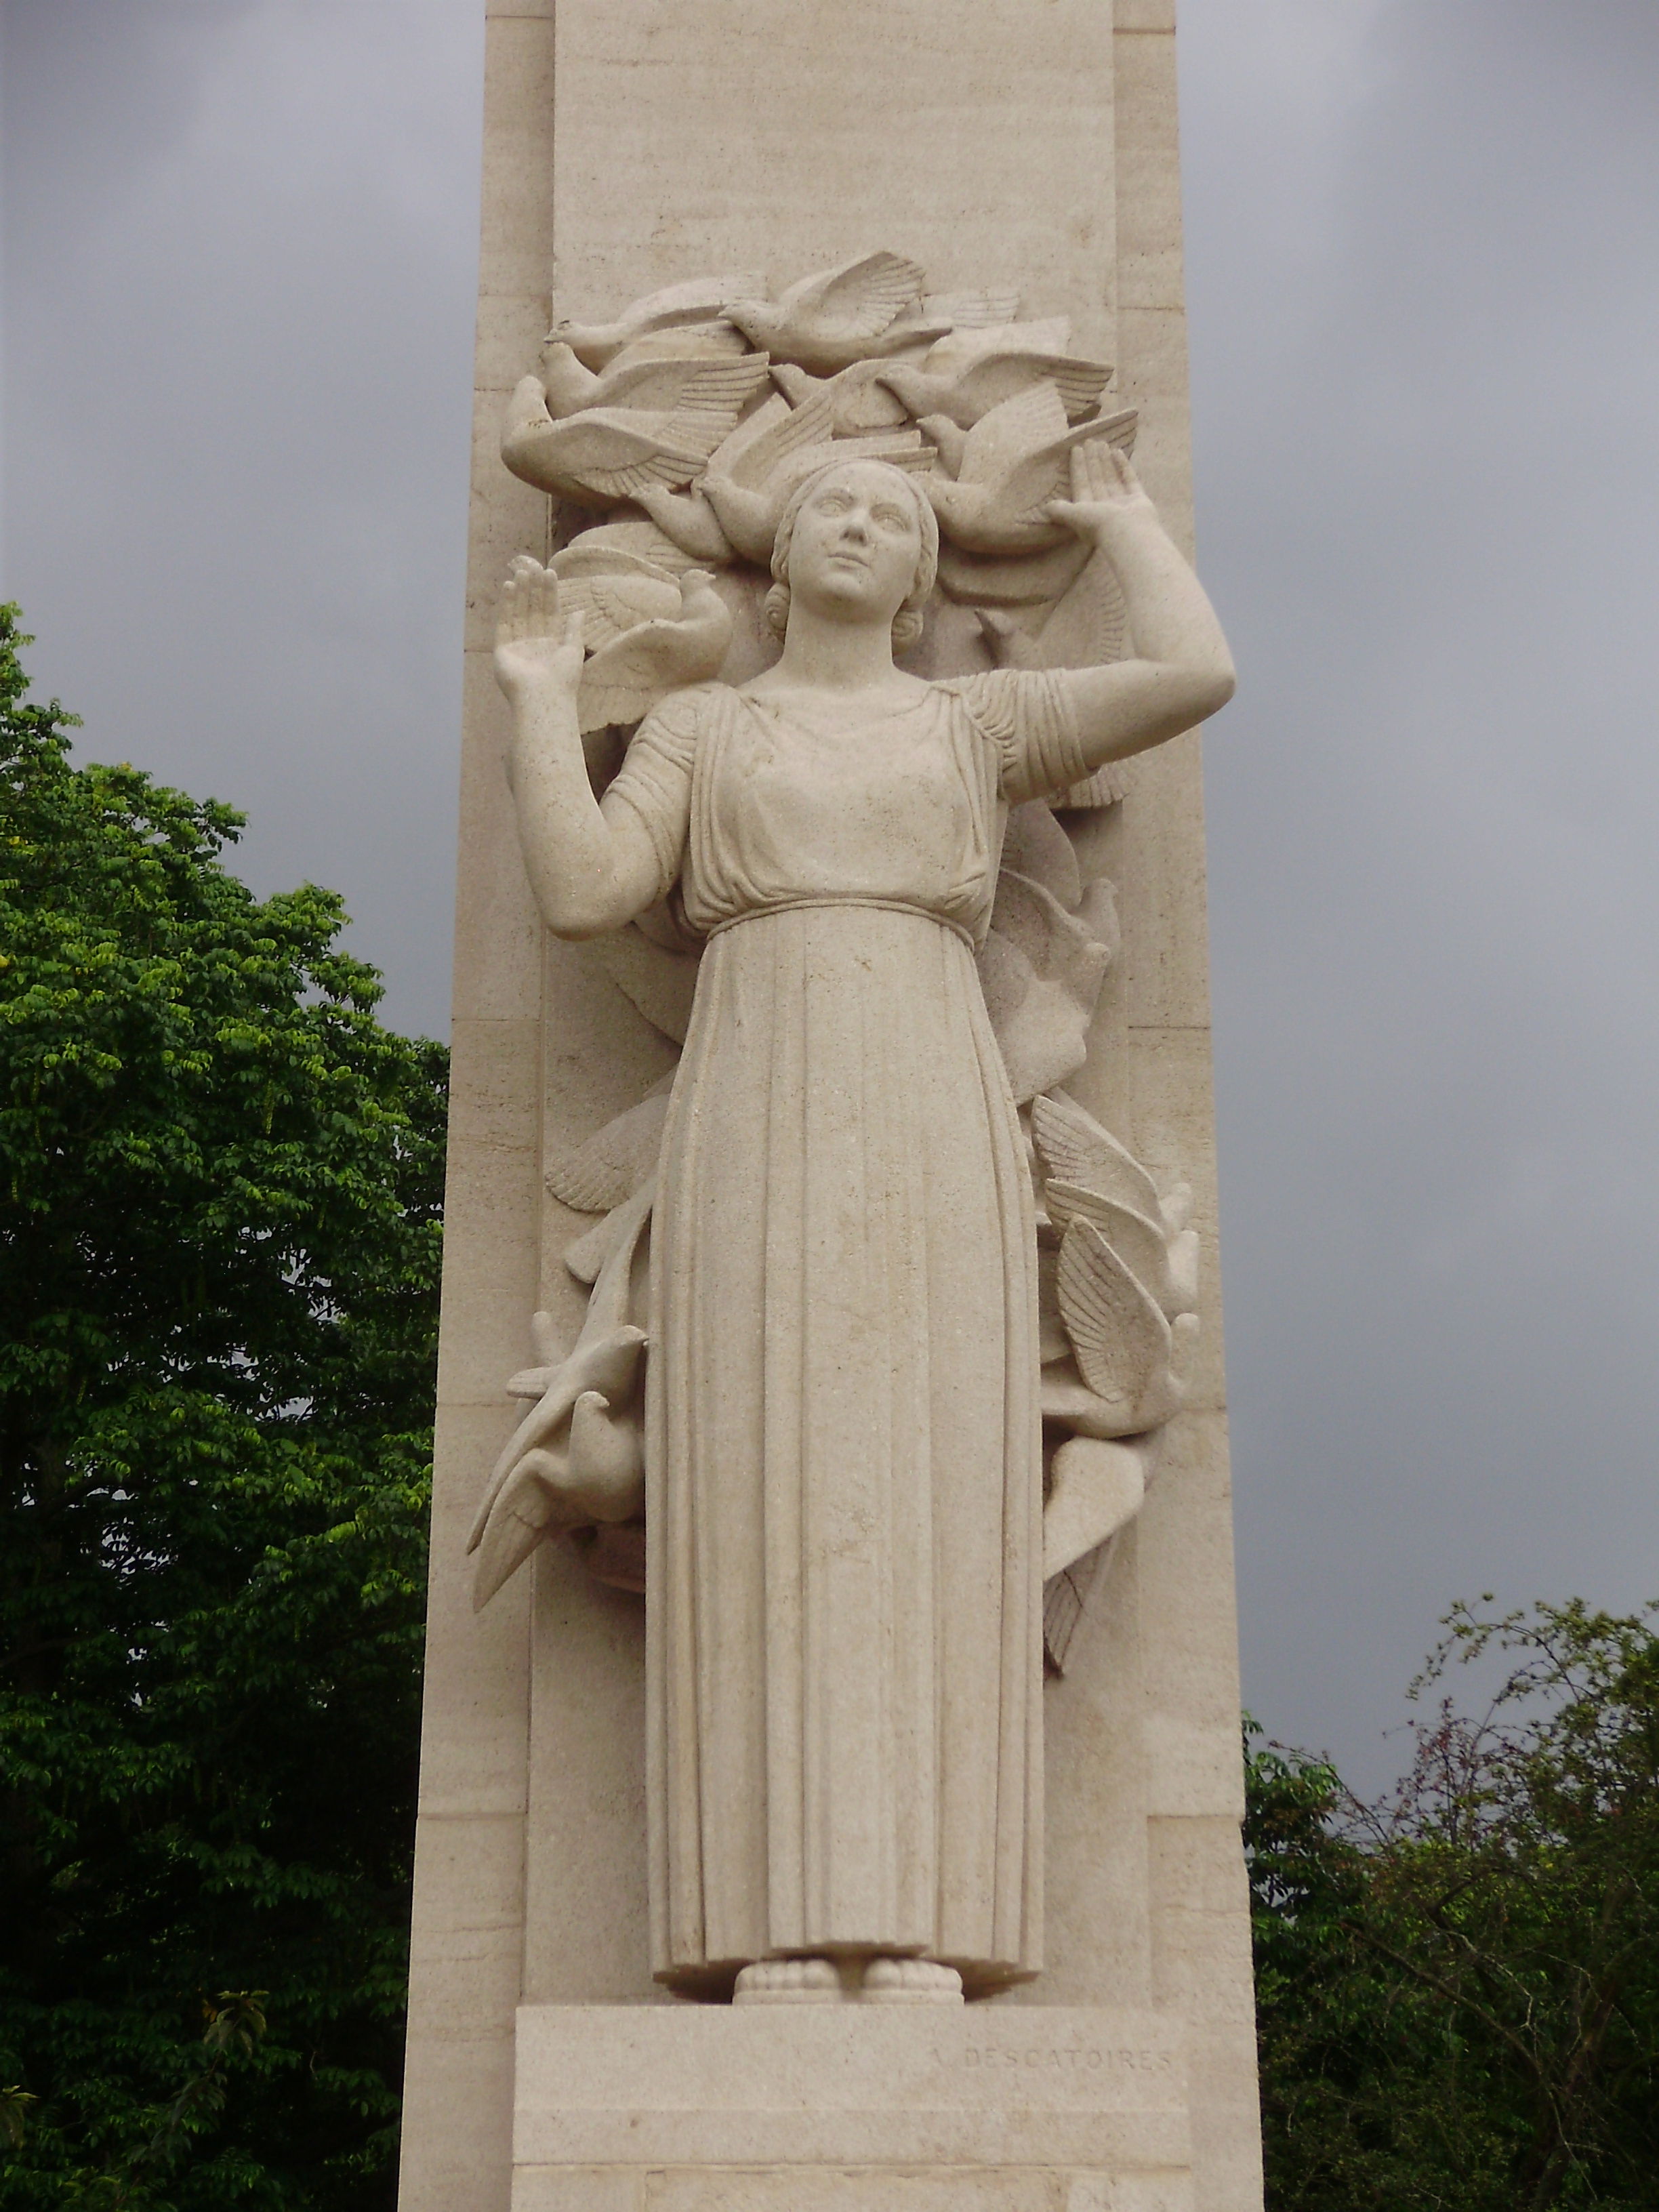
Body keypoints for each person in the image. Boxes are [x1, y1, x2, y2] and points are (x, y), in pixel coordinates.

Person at [493, 442, 1234, 2004]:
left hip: (929, 1110)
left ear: (919, 581)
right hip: (752, 1107)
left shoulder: (974, 724)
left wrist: (1123, 521)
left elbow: (1191, 671)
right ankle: (758, 1931)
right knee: (760, 1492)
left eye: (893, 514)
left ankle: (930, 1929)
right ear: (782, 555)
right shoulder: (706, 726)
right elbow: (582, 890)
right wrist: (538, 698)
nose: (859, 520)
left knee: (925, 1504)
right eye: (831, 500)